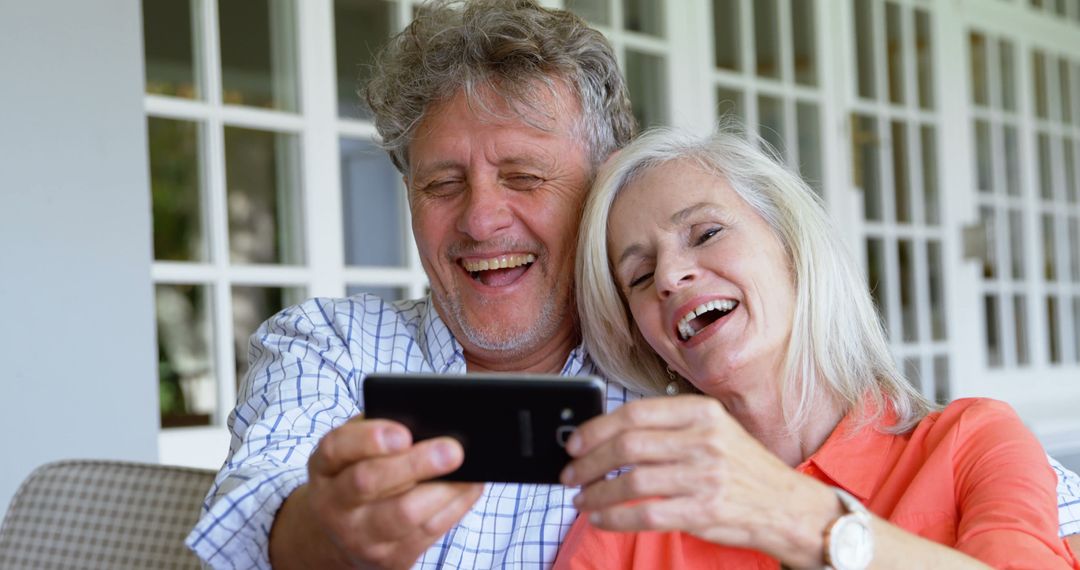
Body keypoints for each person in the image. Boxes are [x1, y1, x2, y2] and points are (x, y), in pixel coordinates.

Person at [182, 1, 1080, 568]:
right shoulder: (330, 347)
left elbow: (1018, 499)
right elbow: (254, 517)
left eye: (527, 179)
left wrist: (813, 520)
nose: (482, 220)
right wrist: (331, 533)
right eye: (442, 185)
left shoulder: (684, 400)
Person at [555, 127, 1080, 568]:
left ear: (793, 249)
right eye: (640, 276)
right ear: (651, 345)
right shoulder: (629, 516)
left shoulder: (974, 443)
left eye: (706, 232)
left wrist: (803, 517)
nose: (669, 276)